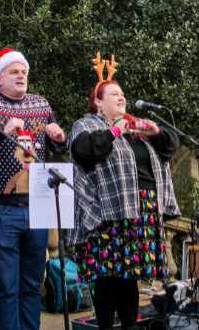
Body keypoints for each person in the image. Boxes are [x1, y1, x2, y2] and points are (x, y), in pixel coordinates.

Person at [68, 53, 180, 330]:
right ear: (97, 101)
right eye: (114, 94)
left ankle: (129, 327)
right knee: (108, 277)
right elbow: (83, 151)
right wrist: (115, 132)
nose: (122, 98)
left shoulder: (137, 128)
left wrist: (154, 131)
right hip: (110, 212)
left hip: (142, 208)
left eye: (122, 94)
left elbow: (170, 147)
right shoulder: (87, 125)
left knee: (129, 277)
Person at [0, 48, 67, 330]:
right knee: (8, 284)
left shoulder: (40, 104)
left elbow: (56, 141)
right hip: (3, 207)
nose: (21, 76)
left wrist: (58, 137)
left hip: (40, 203)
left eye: (24, 72)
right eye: (14, 71)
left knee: (33, 283)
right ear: (0, 77)